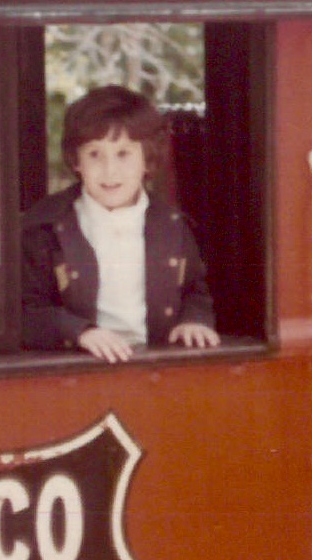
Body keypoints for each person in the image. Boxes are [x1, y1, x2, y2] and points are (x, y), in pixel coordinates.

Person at [21, 85, 219, 363]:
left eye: (123, 154)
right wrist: (80, 332)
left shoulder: (173, 225)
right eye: (94, 154)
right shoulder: (45, 227)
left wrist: (194, 320)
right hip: (80, 367)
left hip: (154, 367)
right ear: (76, 160)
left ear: (147, 159)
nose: (110, 170)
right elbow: (26, 311)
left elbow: (194, 291)